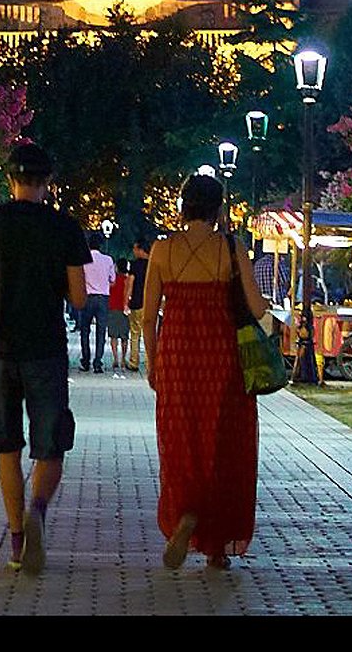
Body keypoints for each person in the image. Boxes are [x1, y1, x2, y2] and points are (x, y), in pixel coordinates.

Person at [142, 173, 269, 570]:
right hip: (222, 358)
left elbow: (147, 318)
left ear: (183, 206)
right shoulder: (231, 249)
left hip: (177, 357)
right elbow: (259, 308)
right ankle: (216, 546)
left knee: (181, 442)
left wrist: (153, 363)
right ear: (218, 208)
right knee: (222, 444)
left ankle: (185, 516)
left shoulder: (162, 251)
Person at [0, 142, 88, 575]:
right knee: (50, 443)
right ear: (47, 182)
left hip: (2, 348)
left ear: (10, 179)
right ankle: (37, 511)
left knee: (7, 447)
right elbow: (78, 296)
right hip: (47, 350)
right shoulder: (65, 228)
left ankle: (17, 544)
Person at [77, 233, 116, 372]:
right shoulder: (108, 260)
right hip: (103, 298)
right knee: (101, 331)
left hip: (87, 297)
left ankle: (85, 360)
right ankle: (98, 362)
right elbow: (112, 280)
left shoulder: (82, 259)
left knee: (85, 330)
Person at [124, 236, 152, 372]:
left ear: (141, 250)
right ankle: (149, 363)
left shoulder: (135, 266)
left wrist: (126, 302)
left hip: (136, 302)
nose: (134, 251)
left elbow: (130, 285)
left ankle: (134, 362)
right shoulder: (153, 265)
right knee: (149, 333)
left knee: (135, 334)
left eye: (135, 248)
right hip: (150, 303)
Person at [105, 259, 131, 371]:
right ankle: (124, 359)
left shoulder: (112, 281)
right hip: (124, 309)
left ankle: (115, 358)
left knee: (114, 336)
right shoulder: (127, 280)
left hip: (112, 308)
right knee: (124, 336)